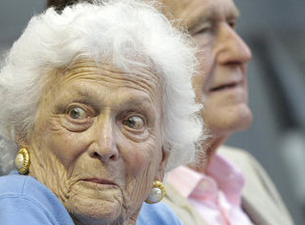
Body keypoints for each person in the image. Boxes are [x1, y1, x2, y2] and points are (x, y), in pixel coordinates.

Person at [46, 0, 296, 224]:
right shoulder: (108, 206)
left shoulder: (244, 169)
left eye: (232, 24)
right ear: (109, 55)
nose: (241, 52)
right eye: (201, 29)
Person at [0, 0, 203, 224]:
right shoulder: (12, 205)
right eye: (76, 114)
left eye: (133, 122)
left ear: (162, 157)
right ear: (24, 129)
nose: (106, 146)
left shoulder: (157, 217)